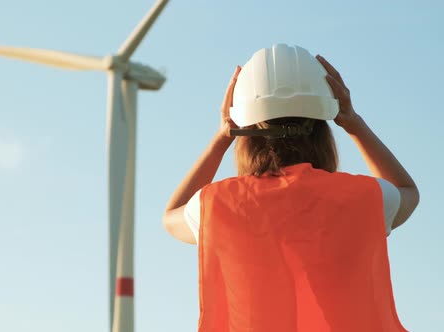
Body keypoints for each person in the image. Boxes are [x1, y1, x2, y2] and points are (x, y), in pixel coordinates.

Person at [163, 44, 419, 332]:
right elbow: (406, 190)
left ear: (244, 133)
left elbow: (171, 216)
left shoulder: (218, 204)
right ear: (324, 130)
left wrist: (221, 136)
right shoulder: (362, 197)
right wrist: (354, 123)